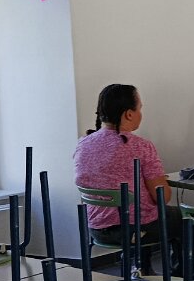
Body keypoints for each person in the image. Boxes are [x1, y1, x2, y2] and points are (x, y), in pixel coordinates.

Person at [74, 84, 180, 269]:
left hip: (96, 228)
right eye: (140, 108)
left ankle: (142, 270)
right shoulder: (141, 147)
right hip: (135, 229)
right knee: (192, 221)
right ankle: (189, 277)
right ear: (129, 114)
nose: (141, 113)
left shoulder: (83, 144)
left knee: (141, 208)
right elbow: (162, 196)